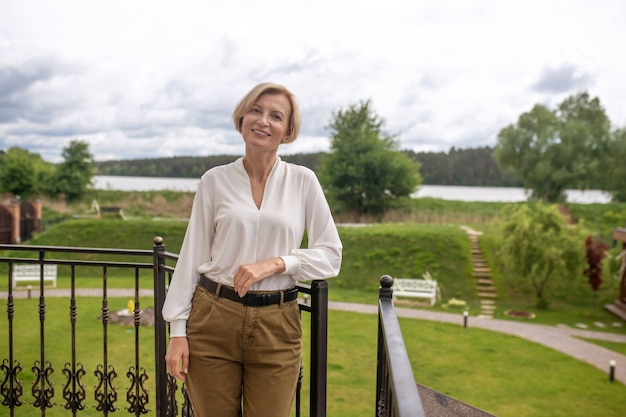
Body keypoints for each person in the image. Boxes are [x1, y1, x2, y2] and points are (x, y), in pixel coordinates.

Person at [162, 81, 342, 417]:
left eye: (276, 116)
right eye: (256, 110)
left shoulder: (303, 181)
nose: (263, 120)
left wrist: (277, 263)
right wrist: (177, 331)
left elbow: (332, 255)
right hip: (213, 318)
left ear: (287, 131)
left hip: (278, 325)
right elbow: (192, 256)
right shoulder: (214, 180)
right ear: (242, 118)